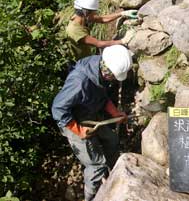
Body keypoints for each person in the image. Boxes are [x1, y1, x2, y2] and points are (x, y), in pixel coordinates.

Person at [51, 45, 133, 201]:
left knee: (112, 139)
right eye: (114, 77)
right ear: (107, 71)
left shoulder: (99, 67)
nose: (115, 80)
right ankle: (91, 197)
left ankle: (115, 173)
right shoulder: (79, 82)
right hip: (72, 121)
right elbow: (58, 109)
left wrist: (115, 113)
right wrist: (78, 129)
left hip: (91, 112)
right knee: (96, 165)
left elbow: (101, 96)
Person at [67, 0, 137, 60]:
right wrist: (123, 41)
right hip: (83, 62)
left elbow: (102, 19)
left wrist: (122, 13)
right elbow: (99, 44)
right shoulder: (74, 30)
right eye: (94, 12)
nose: (95, 13)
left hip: (88, 55)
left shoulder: (81, 17)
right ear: (86, 12)